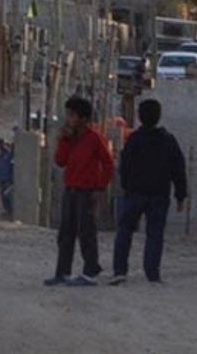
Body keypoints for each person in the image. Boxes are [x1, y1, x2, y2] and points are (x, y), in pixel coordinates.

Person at [110, 98, 187, 285]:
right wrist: (180, 195)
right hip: (159, 194)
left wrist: (126, 185)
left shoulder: (134, 139)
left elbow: (124, 165)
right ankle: (152, 274)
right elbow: (178, 169)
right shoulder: (168, 140)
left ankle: (120, 271)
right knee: (155, 234)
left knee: (125, 231)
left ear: (139, 116)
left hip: (134, 193)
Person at [44, 96, 115, 287]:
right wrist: (64, 139)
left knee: (86, 232)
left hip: (87, 191)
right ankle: (63, 272)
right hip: (71, 189)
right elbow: (60, 161)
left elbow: (108, 163)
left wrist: (100, 187)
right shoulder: (70, 138)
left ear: (83, 118)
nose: (68, 119)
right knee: (66, 232)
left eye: (72, 115)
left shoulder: (94, 138)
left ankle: (90, 271)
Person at [0, 139, 15, 219]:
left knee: (9, 197)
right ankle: (7, 211)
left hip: (8, 180)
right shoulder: (0, 157)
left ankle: (11, 212)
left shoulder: (10, 156)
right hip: (2, 179)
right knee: (3, 197)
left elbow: (12, 166)